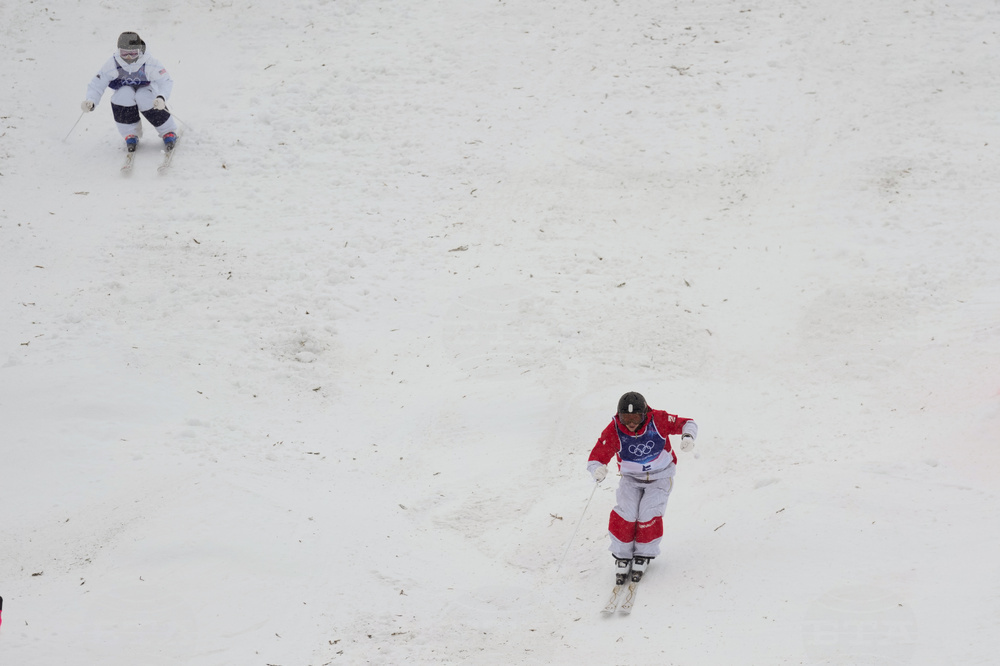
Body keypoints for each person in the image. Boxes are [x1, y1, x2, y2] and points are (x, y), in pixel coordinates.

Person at [587, 391, 698, 585]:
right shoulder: (615, 430)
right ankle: (622, 554)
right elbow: (596, 457)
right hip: (631, 479)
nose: (631, 423)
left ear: (645, 414)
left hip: (660, 476)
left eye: (636, 417)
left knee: (648, 512)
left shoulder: (658, 420)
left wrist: (688, 436)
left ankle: (644, 553)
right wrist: (597, 469)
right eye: (626, 418)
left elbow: (688, 423)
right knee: (626, 512)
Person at [81, 31, 178, 152]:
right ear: (118, 51)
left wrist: (161, 97)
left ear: (139, 50)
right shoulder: (113, 63)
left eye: (133, 53)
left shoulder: (149, 62)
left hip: (147, 89)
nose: (128, 58)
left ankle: (167, 131)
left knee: (143, 96)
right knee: (123, 95)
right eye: (124, 53)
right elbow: (97, 84)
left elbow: (166, 81)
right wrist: (91, 100)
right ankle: (130, 133)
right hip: (124, 89)